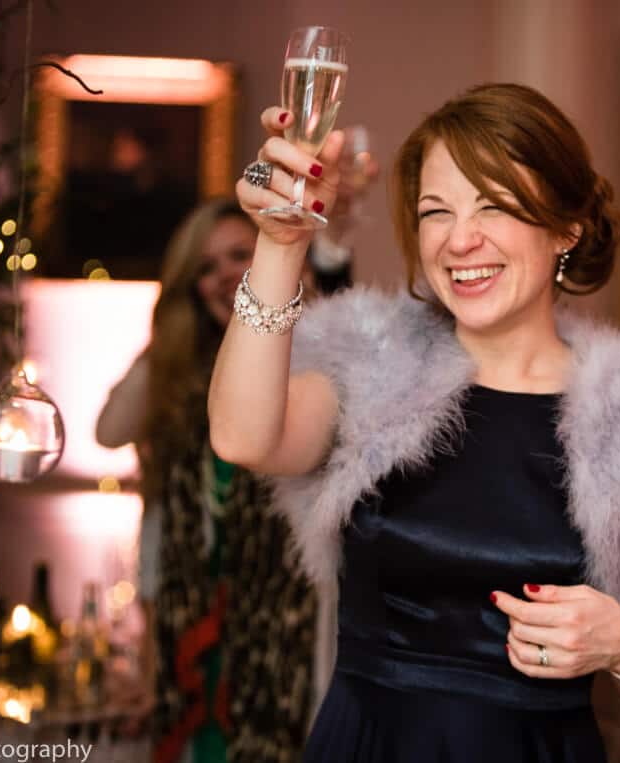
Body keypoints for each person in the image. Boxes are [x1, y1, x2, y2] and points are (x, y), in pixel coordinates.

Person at [208, 83, 620, 761]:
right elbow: (242, 436)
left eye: (493, 204)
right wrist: (280, 243)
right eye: (437, 211)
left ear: (565, 227)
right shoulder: (375, 365)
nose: (460, 240)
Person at [95, 164, 375, 762]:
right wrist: (168, 335)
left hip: (280, 628)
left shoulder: (310, 364)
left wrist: (308, 256)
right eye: (205, 268)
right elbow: (108, 431)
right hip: (191, 621)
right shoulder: (177, 380)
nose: (224, 275)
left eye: (237, 257)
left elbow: (337, 300)